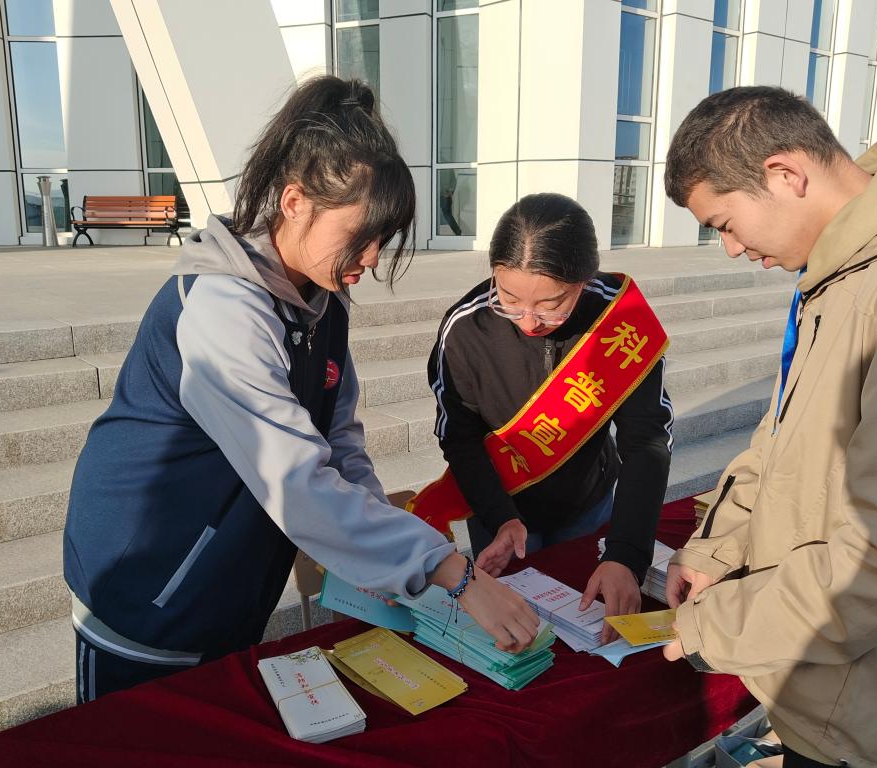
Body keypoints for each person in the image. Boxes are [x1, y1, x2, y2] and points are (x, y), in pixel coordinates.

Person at [63, 76, 538, 702]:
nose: (372, 257)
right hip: (148, 588)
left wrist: (382, 561)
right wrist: (452, 571)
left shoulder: (323, 303)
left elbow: (339, 446)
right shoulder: (222, 308)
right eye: (361, 236)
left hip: (229, 585)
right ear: (294, 202)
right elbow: (296, 480)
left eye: (382, 239)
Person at [661, 86, 877, 768]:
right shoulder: (845, 272)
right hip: (835, 687)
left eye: (724, 223)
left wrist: (716, 627)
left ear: (783, 174)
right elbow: (782, 443)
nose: (730, 249)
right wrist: (716, 550)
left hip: (873, 718)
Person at [416, 193, 674, 641]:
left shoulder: (618, 318)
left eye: (552, 304)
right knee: (517, 634)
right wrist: (499, 516)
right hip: (499, 508)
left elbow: (647, 438)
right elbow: (460, 438)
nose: (529, 322)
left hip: (590, 502)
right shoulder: (465, 329)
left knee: (586, 625)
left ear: (583, 281)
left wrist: (626, 554)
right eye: (509, 298)